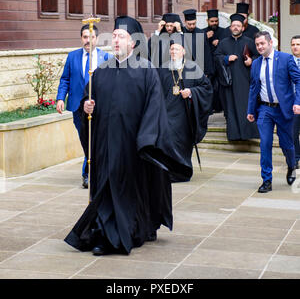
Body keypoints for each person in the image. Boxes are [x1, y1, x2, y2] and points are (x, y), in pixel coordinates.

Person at [64, 16, 191, 256]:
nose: (115, 39)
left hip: (133, 148)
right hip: (105, 147)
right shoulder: (100, 72)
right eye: (113, 36)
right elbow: (87, 104)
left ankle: (129, 232)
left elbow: (155, 111)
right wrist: (86, 108)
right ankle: (103, 234)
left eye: (120, 36)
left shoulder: (146, 71)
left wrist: (145, 141)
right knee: (105, 190)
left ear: (133, 43)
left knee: (127, 193)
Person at [56, 24, 111, 188]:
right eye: (85, 37)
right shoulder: (72, 57)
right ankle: (90, 172)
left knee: (97, 140)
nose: (88, 40)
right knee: (85, 140)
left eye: (91, 37)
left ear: (97, 39)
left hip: (99, 107)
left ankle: (89, 174)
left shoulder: (106, 58)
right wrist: (60, 98)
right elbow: (65, 79)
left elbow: (111, 82)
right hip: (78, 107)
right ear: (81, 38)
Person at [247, 31, 300, 193]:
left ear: (271, 43)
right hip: (264, 109)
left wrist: (297, 102)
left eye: (262, 43)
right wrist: (250, 110)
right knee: (265, 143)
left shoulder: (285, 59)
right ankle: (267, 180)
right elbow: (253, 88)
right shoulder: (256, 64)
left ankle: (292, 166)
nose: (259, 47)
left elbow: (298, 81)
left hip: (284, 109)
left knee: (287, 144)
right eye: (257, 45)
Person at [157, 36, 213, 181]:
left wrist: (191, 92)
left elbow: (207, 88)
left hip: (184, 115)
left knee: (181, 143)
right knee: (166, 144)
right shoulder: (163, 68)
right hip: (167, 114)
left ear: (183, 51)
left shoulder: (193, 67)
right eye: (171, 49)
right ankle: (168, 173)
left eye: (176, 49)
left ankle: (182, 172)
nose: (173, 52)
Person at [214, 13, 259, 141]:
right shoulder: (223, 43)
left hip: (245, 82)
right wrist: (227, 58)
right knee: (231, 108)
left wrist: (251, 61)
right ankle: (234, 135)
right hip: (229, 83)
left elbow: (259, 57)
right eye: (233, 25)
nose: (235, 28)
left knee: (245, 107)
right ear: (230, 28)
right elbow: (216, 58)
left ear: (242, 28)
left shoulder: (249, 42)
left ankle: (248, 135)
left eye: (238, 26)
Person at [200, 9, 228, 112]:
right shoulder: (202, 32)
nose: (214, 23)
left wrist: (220, 42)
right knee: (209, 86)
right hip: (208, 65)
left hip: (220, 65)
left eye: (216, 21)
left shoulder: (224, 31)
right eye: (212, 21)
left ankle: (221, 108)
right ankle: (209, 108)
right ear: (207, 21)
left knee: (221, 87)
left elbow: (227, 43)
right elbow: (197, 47)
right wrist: (205, 37)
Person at [182, 9, 214, 79]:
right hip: (184, 68)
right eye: (189, 24)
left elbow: (206, 53)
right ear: (185, 22)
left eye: (194, 23)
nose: (192, 26)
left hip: (199, 68)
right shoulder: (181, 32)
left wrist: (207, 72)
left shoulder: (201, 33)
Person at [291, 35, 300, 169]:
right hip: (292, 104)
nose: (295, 47)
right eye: (293, 44)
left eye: (298, 44)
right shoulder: (287, 61)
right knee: (292, 133)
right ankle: (296, 158)